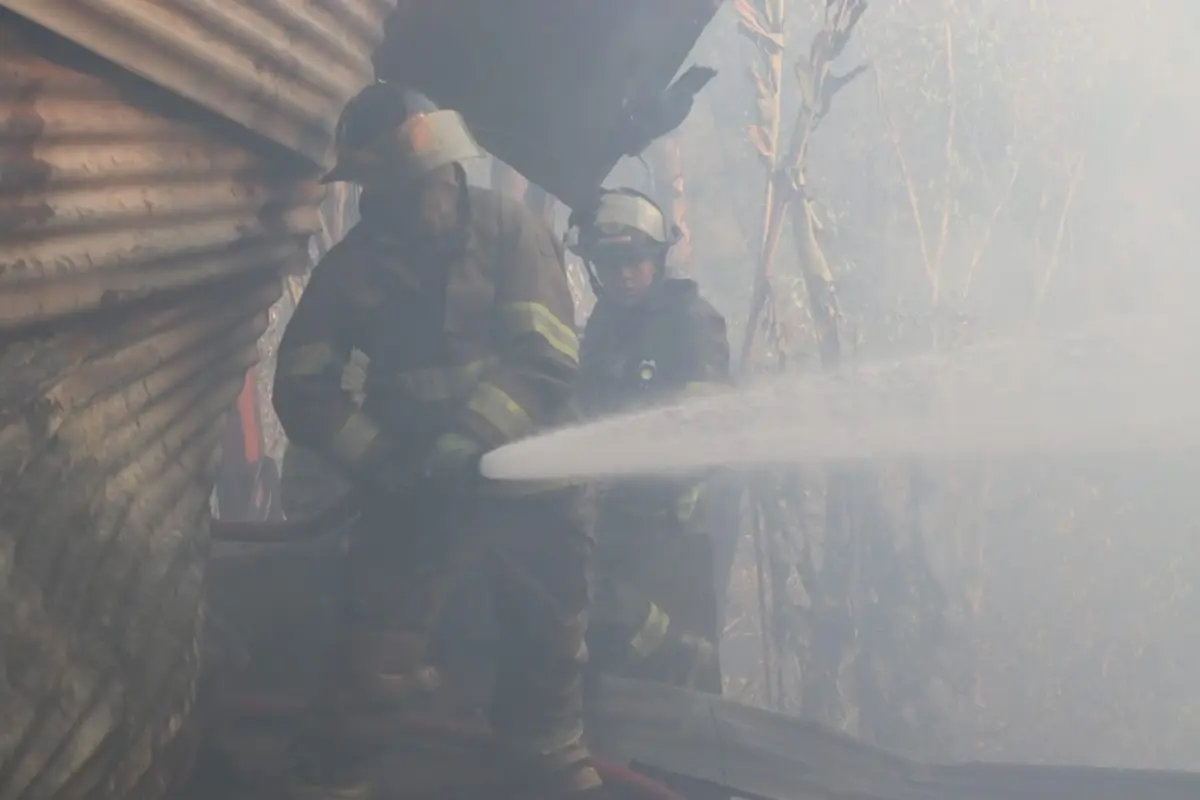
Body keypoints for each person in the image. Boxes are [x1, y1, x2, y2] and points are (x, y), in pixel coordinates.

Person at [272, 81, 603, 798]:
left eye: (433, 182)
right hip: (416, 497)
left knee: (549, 647)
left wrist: (471, 437)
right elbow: (303, 387)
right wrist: (383, 461)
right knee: (372, 659)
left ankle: (547, 761)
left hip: (532, 491)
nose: (427, 198)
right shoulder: (353, 268)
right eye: (404, 188)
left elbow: (545, 357)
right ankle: (329, 782)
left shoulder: (512, 231)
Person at [567, 188, 733, 695]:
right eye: (611, 263)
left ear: (658, 258)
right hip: (613, 524)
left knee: (679, 665)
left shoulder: (690, 322)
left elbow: (705, 431)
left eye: (636, 261)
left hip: (672, 534)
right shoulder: (603, 326)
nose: (624, 274)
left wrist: (633, 474)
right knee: (617, 657)